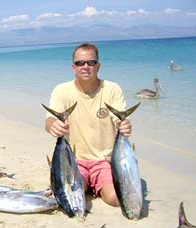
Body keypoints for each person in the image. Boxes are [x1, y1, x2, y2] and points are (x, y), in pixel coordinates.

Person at [45, 43, 132, 207]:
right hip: (73, 160)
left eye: (91, 62)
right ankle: (88, 185)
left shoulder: (112, 89)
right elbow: (49, 120)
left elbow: (119, 118)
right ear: (73, 67)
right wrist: (53, 126)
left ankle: (98, 184)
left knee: (116, 199)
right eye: (80, 63)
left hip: (104, 160)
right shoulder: (61, 90)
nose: (85, 67)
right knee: (67, 198)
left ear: (98, 66)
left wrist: (124, 124)